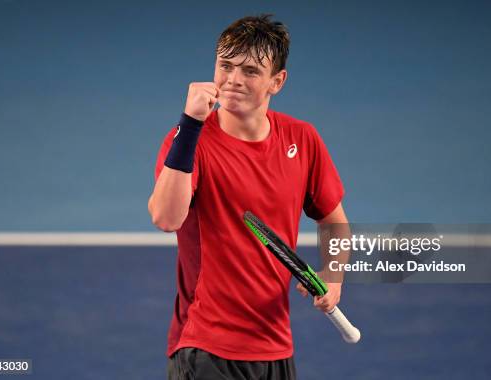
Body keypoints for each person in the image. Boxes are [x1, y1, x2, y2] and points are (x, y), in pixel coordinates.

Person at [148, 14, 348, 380]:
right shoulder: (188, 141)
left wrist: (332, 276)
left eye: (251, 71)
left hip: (275, 347)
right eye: (225, 66)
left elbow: (334, 223)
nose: (234, 80)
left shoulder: (302, 139)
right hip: (204, 346)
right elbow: (165, 218)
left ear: (277, 81)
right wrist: (190, 125)